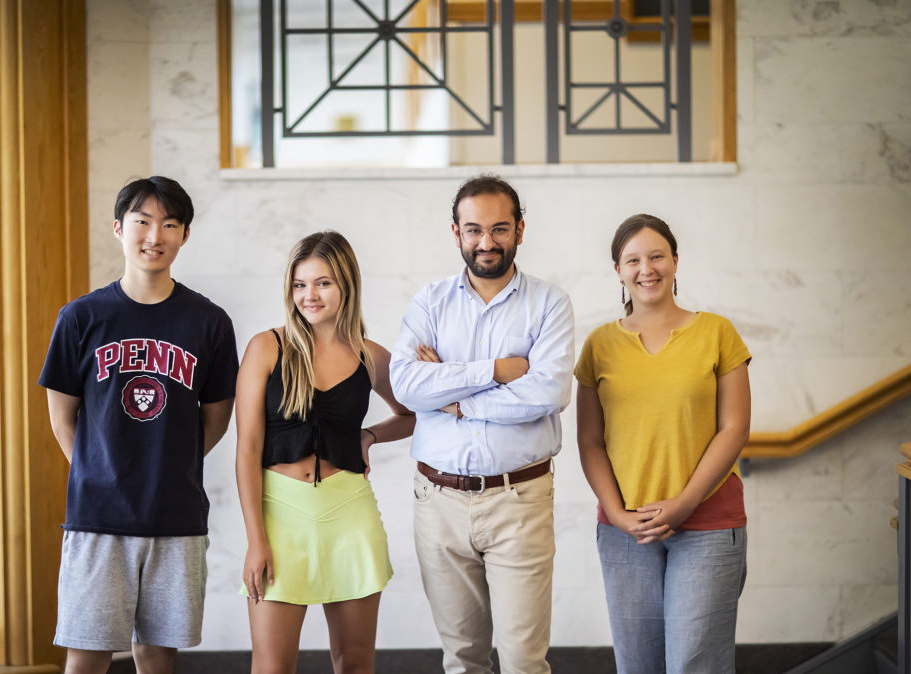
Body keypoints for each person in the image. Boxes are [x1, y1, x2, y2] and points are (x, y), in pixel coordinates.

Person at [39, 176, 238, 674]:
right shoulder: (81, 317)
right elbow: (63, 415)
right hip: (98, 516)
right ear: (118, 228)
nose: (155, 235)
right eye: (143, 221)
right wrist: (98, 469)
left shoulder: (209, 322)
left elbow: (216, 417)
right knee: (87, 653)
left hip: (175, 515)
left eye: (170, 224)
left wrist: (172, 465)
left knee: (157, 655)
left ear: (185, 235)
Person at [389, 175, 575, 674]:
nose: (486, 242)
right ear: (455, 233)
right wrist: (493, 372)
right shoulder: (430, 301)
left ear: (519, 229)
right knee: (463, 659)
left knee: (521, 660)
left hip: (520, 501)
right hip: (439, 502)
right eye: (473, 230)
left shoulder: (549, 303)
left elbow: (549, 394)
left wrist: (453, 399)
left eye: (498, 228)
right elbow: (407, 386)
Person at [574, 213, 751, 673]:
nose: (645, 268)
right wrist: (616, 514)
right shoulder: (598, 345)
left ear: (675, 260)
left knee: (697, 665)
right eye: (632, 259)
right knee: (638, 665)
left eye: (656, 256)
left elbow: (733, 429)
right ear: (618, 270)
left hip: (709, 525)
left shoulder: (717, 332)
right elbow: (590, 441)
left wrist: (684, 503)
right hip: (624, 530)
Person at [235, 230, 414, 674]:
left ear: (347, 285)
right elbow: (247, 449)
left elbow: (413, 414)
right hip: (279, 515)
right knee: (272, 665)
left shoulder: (369, 355)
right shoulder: (266, 348)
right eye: (300, 284)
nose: (309, 295)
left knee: (354, 662)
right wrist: (257, 539)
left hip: (350, 513)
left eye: (323, 283)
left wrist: (370, 435)